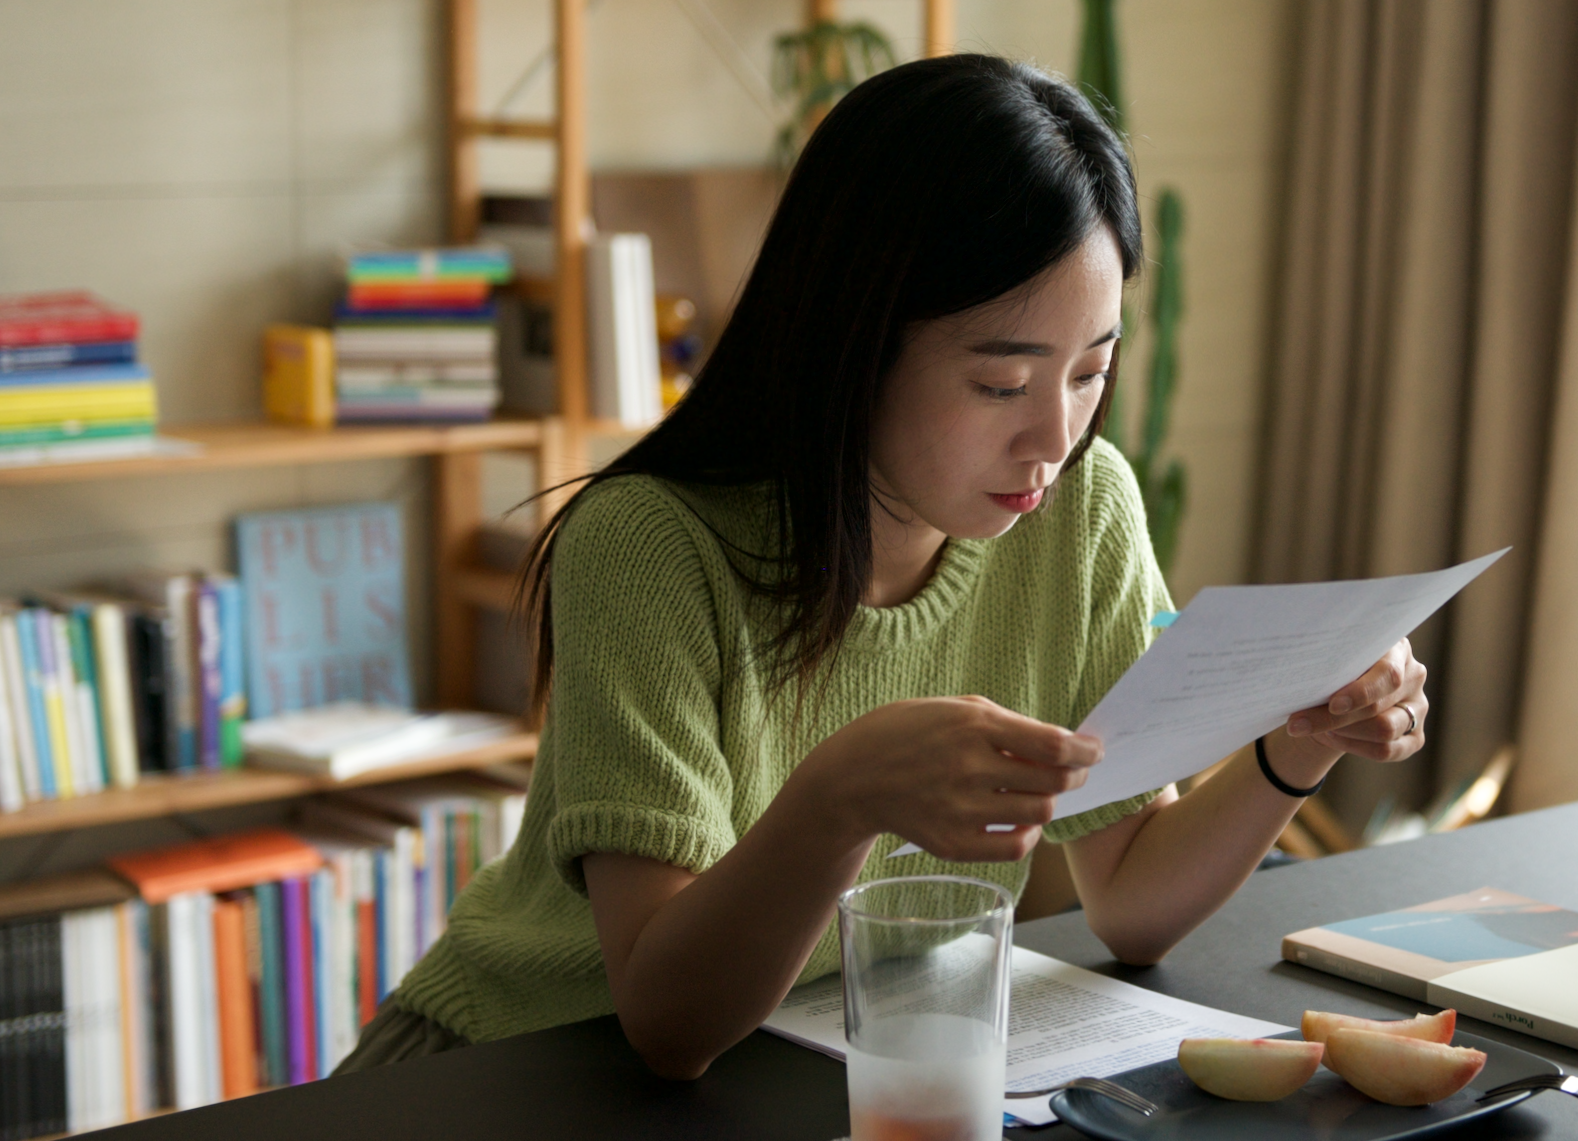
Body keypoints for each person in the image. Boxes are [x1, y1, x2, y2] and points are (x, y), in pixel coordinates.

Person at [336, 53, 1430, 1080]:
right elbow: (664, 1020)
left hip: (804, 1059)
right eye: (1001, 383)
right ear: (852, 338)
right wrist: (839, 796)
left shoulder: (1079, 508)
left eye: (1090, 371)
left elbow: (1132, 899)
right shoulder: (649, 546)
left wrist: (1295, 745)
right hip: (510, 1067)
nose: (1051, 435)